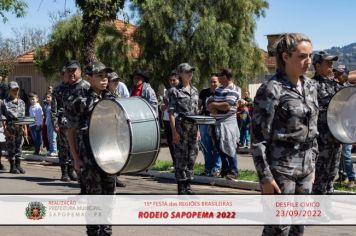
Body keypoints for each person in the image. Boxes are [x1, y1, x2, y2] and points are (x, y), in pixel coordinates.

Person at [251, 33, 318, 236]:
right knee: (278, 228)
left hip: (306, 169)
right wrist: (265, 177)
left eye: (311, 56)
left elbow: (313, 130)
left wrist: (312, 166)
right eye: (302, 56)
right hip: (281, 169)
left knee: (298, 226)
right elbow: (258, 139)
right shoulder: (272, 89)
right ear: (286, 57)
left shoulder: (311, 87)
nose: (308, 62)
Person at [66, 61, 116, 236]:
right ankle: (94, 232)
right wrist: (75, 157)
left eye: (105, 76)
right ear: (89, 78)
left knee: (109, 197)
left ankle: (106, 232)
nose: (104, 80)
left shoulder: (110, 98)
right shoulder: (79, 99)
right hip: (88, 157)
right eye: (99, 76)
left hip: (109, 156)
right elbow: (70, 129)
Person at [311, 51, 344, 194]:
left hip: (336, 138)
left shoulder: (335, 85)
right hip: (321, 141)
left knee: (331, 174)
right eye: (328, 63)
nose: (331, 66)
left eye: (332, 63)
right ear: (318, 65)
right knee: (320, 176)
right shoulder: (311, 86)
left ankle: (327, 207)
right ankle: (318, 209)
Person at [168, 63, 199, 194]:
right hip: (181, 127)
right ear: (180, 74)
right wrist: (174, 131)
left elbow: (197, 112)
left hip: (193, 127)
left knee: (192, 156)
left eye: (191, 71)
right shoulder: (174, 91)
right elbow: (171, 113)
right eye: (187, 72)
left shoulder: (195, 90)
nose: (190, 74)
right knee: (181, 157)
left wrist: (198, 131)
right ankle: (181, 187)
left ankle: (188, 185)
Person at [207, 68, 240, 180]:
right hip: (216, 122)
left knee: (229, 146)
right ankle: (225, 170)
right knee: (220, 147)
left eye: (220, 75)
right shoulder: (219, 89)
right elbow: (210, 101)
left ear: (225, 76)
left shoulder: (234, 89)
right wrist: (212, 105)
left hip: (227, 123)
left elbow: (227, 105)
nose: (218, 77)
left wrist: (214, 105)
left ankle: (234, 170)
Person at [52, 63, 79, 182]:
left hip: (74, 122)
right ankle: (64, 172)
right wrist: (55, 122)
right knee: (64, 148)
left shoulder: (75, 87)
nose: (68, 76)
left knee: (74, 147)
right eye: (65, 74)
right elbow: (54, 108)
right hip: (63, 122)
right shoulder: (58, 89)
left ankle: (71, 170)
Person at [333, 65, 356, 188]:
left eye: (341, 73)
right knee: (339, 153)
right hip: (336, 124)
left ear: (346, 74)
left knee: (346, 153)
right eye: (337, 73)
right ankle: (342, 175)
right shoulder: (333, 88)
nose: (338, 76)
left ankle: (352, 178)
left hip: (348, 126)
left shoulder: (350, 89)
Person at [1, 81, 28, 174]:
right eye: (13, 89)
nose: (15, 91)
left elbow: (23, 117)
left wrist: (25, 130)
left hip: (20, 128)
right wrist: (5, 130)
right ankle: (12, 167)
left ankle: (18, 165)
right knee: (11, 148)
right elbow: (3, 118)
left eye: (17, 89)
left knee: (19, 147)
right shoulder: (4, 102)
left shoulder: (22, 102)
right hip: (10, 128)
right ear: (9, 90)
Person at [198, 73, 221, 176]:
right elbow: (199, 106)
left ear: (219, 82)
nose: (213, 83)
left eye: (215, 81)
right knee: (206, 146)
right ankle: (208, 168)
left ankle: (216, 169)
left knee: (217, 146)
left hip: (217, 121)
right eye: (211, 81)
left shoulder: (222, 92)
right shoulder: (204, 92)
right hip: (205, 121)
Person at [107, 71, 127, 188]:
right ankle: (111, 177)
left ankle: (115, 176)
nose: (116, 83)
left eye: (117, 80)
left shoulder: (118, 94)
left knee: (118, 153)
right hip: (109, 130)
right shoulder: (105, 95)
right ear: (108, 82)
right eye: (114, 81)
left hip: (119, 128)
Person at [161, 70, 180, 167]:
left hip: (176, 118)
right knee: (170, 141)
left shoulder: (180, 91)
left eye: (174, 80)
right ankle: (174, 161)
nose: (172, 82)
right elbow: (166, 105)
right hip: (166, 118)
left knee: (177, 140)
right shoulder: (168, 91)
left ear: (179, 80)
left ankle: (179, 162)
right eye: (170, 80)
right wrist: (163, 106)